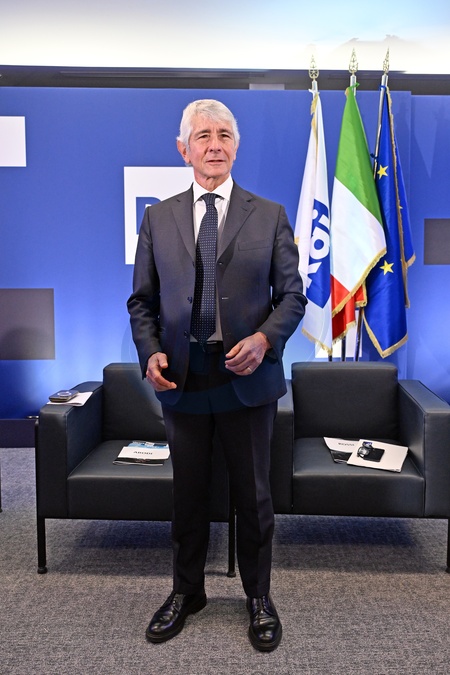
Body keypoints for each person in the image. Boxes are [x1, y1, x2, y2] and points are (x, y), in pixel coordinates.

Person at [127, 98, 306, 652]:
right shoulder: (158, 218)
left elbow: (293, 297)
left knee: (254, 497)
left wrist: (265, 339)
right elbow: (142, 302)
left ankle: (259, 597)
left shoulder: (269, 214)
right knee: (188, 496)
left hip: (246, 380)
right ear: (184, 149)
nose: (214, 145)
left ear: (236, 146)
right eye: (203, 136)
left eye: (224, 135)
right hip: (183, 379)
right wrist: (150, 353)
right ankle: (187, 592)